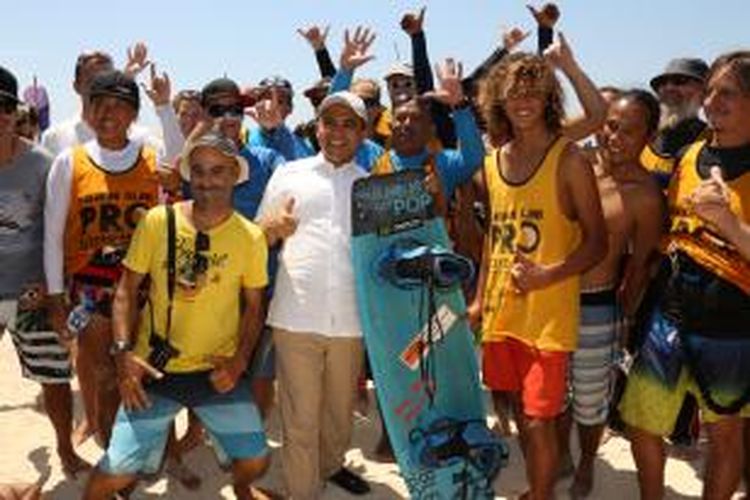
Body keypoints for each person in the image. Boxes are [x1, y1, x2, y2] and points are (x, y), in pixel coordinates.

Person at [83, 130, 270, 499]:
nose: (206, 180)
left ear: (235, 174)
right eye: (198, 170)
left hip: (216, 373)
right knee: (113, 473)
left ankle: (241, 486)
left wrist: (238, 362)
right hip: (154, 370)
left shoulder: (250, 237)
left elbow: (254, 307)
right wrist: (123, 355)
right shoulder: (157, 221)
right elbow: (125, 291)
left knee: (256, 460)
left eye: (218, 171)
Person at [472, 52, 607, 500]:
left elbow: (597, 243)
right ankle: (538, 486)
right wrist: (478, 299)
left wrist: (550, 274)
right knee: (513, 407)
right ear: (499, 100)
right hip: (501, 310)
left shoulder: (568, 158)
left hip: (548, 315)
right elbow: (494, 237)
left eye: (533, 91)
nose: (523, 100)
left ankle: (543, 493)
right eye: (514, 93)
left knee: (539, 417)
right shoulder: (493, 162)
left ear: (548, 97)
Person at [619, 51, 750, 500]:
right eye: (710, 89)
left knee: (726, 436)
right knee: (639, 420)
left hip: (733, 327)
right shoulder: (690, 155)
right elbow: (669, 232)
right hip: (671, 315)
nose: (713, 100)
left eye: (727, 92)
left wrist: (730, 224)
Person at [257, 91, 372, 498]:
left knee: (340, 415)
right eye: (330, 122)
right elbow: (260, 234)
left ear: (362, 132)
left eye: (348, 124)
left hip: (353, 319)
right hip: (295, 316)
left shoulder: (372, 185)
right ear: (317, 127)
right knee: (300, 419)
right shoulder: (289, 173)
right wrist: (274, 228)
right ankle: (302, 490)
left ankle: (330, 466)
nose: (337, 132)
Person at [44, 70, 162, 446]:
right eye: (99, 104)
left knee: (143, 372)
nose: (108, 112)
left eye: (119, 105)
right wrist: (55, 298)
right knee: (104, 375)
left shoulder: (152, 159)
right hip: (90, 290)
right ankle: (114, 456)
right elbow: (52, 234)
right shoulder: (69, 161)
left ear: (133, 114)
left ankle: (146, 451)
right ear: (88, 111)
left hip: (141, 287)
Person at [558, 89, 664, 498]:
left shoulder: (646, 196)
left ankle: (586, 462)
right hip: (550, 296)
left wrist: (626, 321)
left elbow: (638, 269)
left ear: (649, 136)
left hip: (598, 305)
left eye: (629, 132)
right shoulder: (576, 165)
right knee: (553, 392)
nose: (615, 138)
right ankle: (561, 458)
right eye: (610, 127)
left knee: (589, 401)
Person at [0, 65, 90, 477]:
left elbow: (63, 232)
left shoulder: (43, 163)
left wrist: (55, 291)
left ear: (15, 112)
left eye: (3, 106)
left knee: (53, 379)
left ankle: (64, 449)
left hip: (32, 293)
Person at [40, 45, 183, 164]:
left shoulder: (138, 136)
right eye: (92, 81)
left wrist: (164, 107)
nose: (101, 88)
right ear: (76, 86)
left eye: (107, 80)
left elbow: (176, 160)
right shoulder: (54, 138)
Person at [641, 57, 709, 189]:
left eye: (680, 81)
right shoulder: (642, 138)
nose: (669, 88)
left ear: (704, 93)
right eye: (663, 83)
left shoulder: (715, 140)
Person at [246, 76, 314, 161]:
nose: (271, 106)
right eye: (267, 100)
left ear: (290, 108)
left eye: (280, 101)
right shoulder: (244, 140)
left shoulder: (305, 147)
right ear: (257, 105)